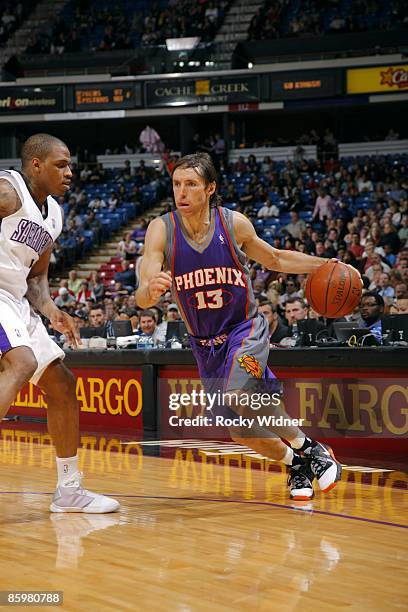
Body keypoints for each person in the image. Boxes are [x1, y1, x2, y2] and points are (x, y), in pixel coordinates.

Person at [136, 152, 356, 501]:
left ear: (210, 189)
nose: (182, 191)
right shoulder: (162, 228)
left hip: (245, 329)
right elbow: (143, 293)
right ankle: (296, 463)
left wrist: (327, 264)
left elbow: (277, 258)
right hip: (204, 345)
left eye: (191, 184)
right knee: (243, 432)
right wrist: (149, 290)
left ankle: (311, 448)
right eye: (177, 184)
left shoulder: (232, 223)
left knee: (240, 392)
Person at [0, 133, 119, 513]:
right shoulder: (7, 191)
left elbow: (36, 279)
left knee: (63, 385)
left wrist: (52, 312)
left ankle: (69, 490)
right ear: (36, 165)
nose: (70, 173)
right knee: (22, 362)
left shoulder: (53, 214)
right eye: (61, 165)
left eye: (70, 165)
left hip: (16, 301)